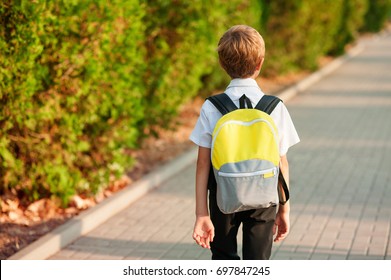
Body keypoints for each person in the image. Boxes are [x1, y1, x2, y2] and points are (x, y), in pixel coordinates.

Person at [189, 25, 300, 260]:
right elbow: (282, 163)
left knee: (224, 259)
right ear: (260, 63)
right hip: (264, 195)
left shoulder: (212, 106)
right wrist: (284, 209)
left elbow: (202, 165)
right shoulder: (274, 107)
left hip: (223, 195)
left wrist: (202, 214)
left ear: (222, 64)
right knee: (257, 262)